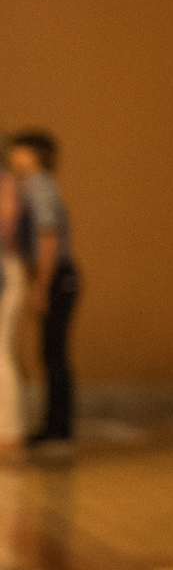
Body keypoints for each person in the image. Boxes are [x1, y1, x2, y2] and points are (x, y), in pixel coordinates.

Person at [8, 132, 76, 448]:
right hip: (51, 274)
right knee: (48, 351)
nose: (12, 156)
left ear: (34, 155)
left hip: (57, 275)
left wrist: (41, 285)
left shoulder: (39, 185)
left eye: (19, 150)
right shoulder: (30, 186)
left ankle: (59, 428)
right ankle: (52, 424)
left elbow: (48, 237)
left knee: (54, 352)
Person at [0, 158, 24, 450]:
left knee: (1, 352)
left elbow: (7, 226)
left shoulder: (5, 183)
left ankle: (8, 433)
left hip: (4, 274)